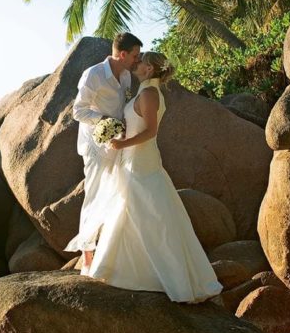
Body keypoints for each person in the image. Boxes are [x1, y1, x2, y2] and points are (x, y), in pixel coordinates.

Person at [87, 51, 223, 303]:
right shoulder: (144, 91)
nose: (135, 64)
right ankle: (119, 268)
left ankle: (167, 277)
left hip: (141, 161)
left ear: (149, 69)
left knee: (149, 212)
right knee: (131, 208)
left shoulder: (149, 94)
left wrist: (122, 144)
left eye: (140, 62)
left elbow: (151, 131)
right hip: (134, 159)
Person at [64, 32, 142, 274]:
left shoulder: (128, 76)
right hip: (96, 145)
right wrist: (106, 121)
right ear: (122, 54)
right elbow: (78, 111)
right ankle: (87, 258)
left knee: (118, 191)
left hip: (118, 142)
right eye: (135, 56)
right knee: (95, 194)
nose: (137, 61)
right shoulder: (94, 74)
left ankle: (112, 250)